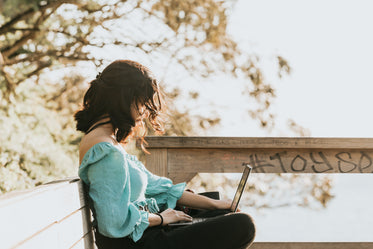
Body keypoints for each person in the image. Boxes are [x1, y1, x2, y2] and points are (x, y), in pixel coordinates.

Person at [74, 60, 256, 249]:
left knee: (217, 209)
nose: (145, 110)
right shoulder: (105, 150)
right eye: (142, 101)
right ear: (125, 98)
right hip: (139, 243)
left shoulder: (109, 143)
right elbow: (113, 222)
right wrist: (161, 219)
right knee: (243, 225)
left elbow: (163, 189)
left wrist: (215, 204)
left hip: (144, 235)